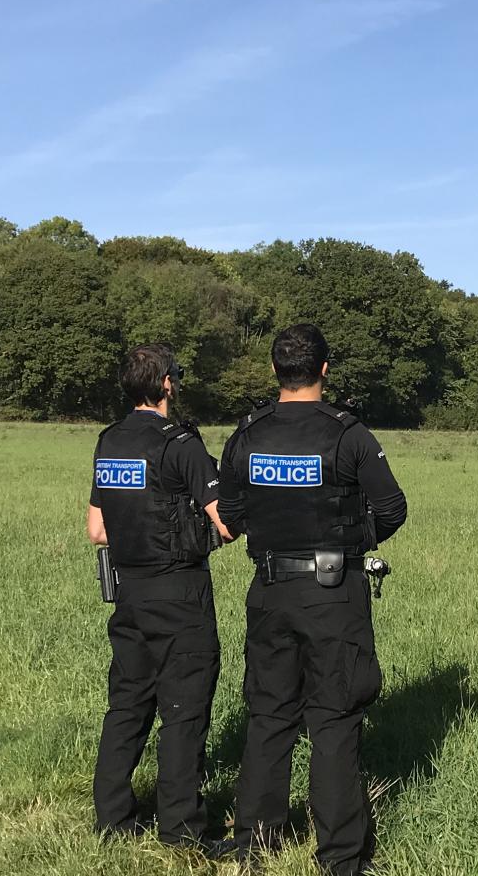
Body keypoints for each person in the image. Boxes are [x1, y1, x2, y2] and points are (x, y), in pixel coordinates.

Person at [205, 323, 408, 875]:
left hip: (270, 590)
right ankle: (340, 857)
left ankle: (255, 840)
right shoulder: (349, 433)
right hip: (333, 593)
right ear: (324, 368)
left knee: (269, 713)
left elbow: (234, 516)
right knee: (335, 717)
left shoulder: (247, 434)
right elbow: (392, 509)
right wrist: (350, 542)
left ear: (275, 371)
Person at [87, 344, 232, 848]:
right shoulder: (181, 444)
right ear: (167, 383)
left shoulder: (109, 441)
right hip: (179, 593)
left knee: (126, 705)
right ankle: (182, 830)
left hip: (129, 594)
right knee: (184, 710)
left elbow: (97, 529)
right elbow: (226, 522)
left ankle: (111, 820)